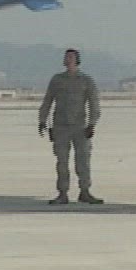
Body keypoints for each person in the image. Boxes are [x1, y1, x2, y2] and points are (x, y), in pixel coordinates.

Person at [37, 48, 103, 205]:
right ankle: (62, 193)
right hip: (60, 127)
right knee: (62, 162)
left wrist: (92, 124)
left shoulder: (86, 80)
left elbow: (94, 103)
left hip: (80, 127)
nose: (68, 59)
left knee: (83, 161)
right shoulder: (57, 80)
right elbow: (48, 101)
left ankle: (85, 191)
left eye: (71, 57)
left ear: (77, 60)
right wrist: (43, 121)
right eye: (66, 57)